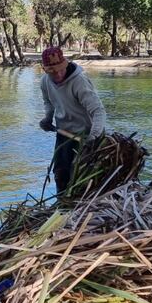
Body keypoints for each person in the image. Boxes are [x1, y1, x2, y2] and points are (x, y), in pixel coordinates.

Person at [38, 46, 107, 194]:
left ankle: (83, 205)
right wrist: (48, 118)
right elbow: (48, 102)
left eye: (60, 69)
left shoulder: (79, 81)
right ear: (45, 70)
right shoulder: (45, 82)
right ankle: (62, 204)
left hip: (88, 135)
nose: (58, 74)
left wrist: (94, 136)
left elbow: (98, 111)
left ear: (65, 64)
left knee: (82, 175)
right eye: (52, 72)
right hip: (64, 133)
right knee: (60, 173)